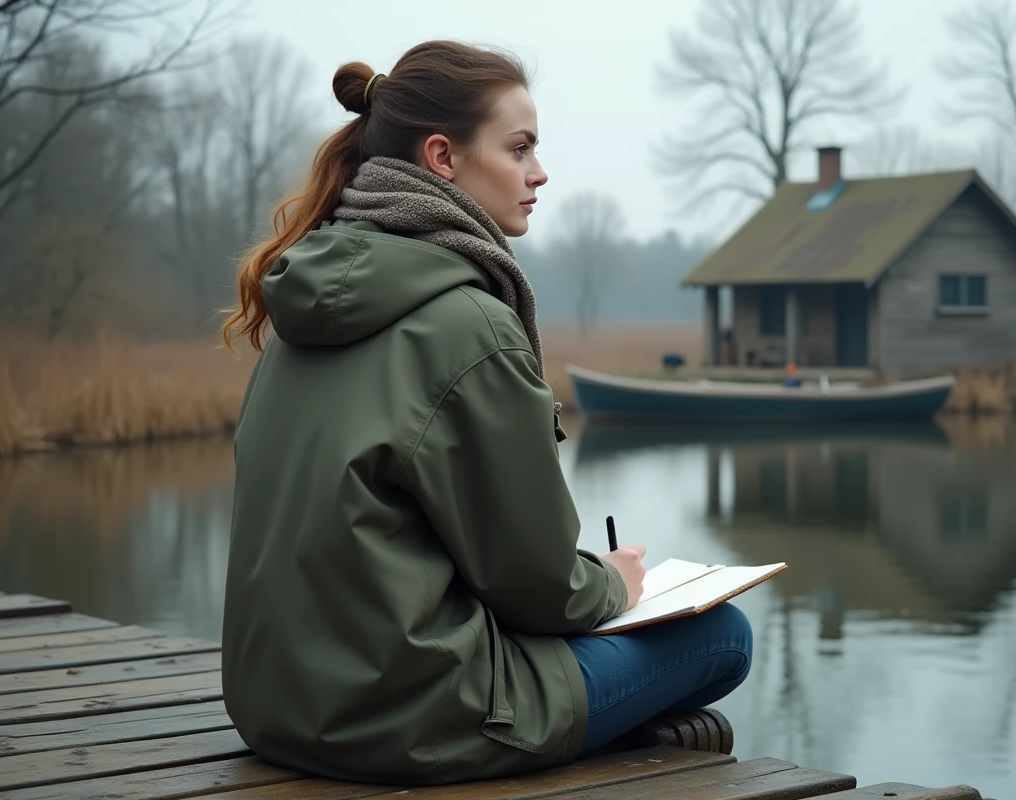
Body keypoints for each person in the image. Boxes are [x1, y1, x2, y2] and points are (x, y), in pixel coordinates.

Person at [218, 40, 753, 787]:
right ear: (443, 157)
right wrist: (614, 584)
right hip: (411, 718)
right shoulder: (468, 322)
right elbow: (535, 583)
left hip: (275, 705)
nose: (540, 173)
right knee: (723, 637)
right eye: (520, 147)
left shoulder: (300, 306)